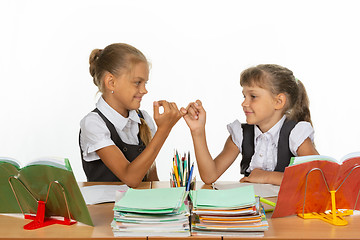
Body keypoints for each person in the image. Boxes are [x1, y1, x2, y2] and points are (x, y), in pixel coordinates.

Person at [181, 64, 319, 185]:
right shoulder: (241, 134)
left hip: (286, 212)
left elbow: (316, 177)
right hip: (252, 211)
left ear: (278, 101)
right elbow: (209, 176)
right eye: (244, 96)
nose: (244, 103)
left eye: (253, 96)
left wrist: (268, 177)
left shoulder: (296, 134)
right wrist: (197, 131)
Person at [79, 43, 182, 187]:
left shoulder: (143, 119)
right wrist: (164, 130)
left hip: (141, 207)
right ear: (111, 82)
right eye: (137, 82)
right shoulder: (93, 123)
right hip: (107, 208)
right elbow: (130, 178)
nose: (144, 90)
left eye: (145, 83)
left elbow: (152, 181)